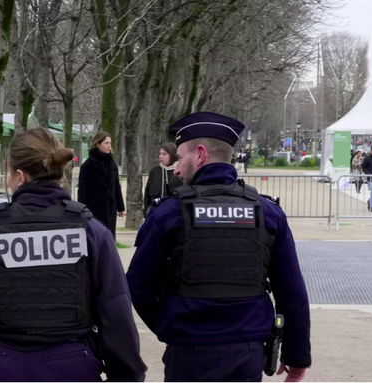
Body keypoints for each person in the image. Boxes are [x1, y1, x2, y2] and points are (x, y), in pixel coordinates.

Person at [0, 128, 147, 382]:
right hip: (71, 366)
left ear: (19, 176)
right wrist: (128, 376)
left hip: (0, 365)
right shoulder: (91, 231)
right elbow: (116, 314)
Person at [126, 112, 311, 382]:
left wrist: (173, 324)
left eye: (180, 157)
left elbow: (139, 286)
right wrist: (296, 357)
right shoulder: (268, 213)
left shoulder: (167, 214)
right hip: (247, 353)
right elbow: (291, 291)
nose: (176, 169)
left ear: (200, 154)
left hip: (188, 352)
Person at [78, 132, 125, 240]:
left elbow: (116, 186)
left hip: (110, 207)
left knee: (109, 236)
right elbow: (82, 189)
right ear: (97, 144)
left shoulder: (112, 163)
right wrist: (83, 209)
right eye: (106, 143)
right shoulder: (87, 165)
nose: (109, 146)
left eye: (110, 143)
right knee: (96, 237)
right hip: (94, 207)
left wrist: (120, 207)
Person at [143, 143, 183, 216]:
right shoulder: (155, 171)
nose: (161, 157)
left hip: (175, 214)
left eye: (164, 154)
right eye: (160, 154)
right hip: (156, 214)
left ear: (172, 155)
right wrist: (147, 211)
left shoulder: (180, 171)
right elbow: (147, 193)